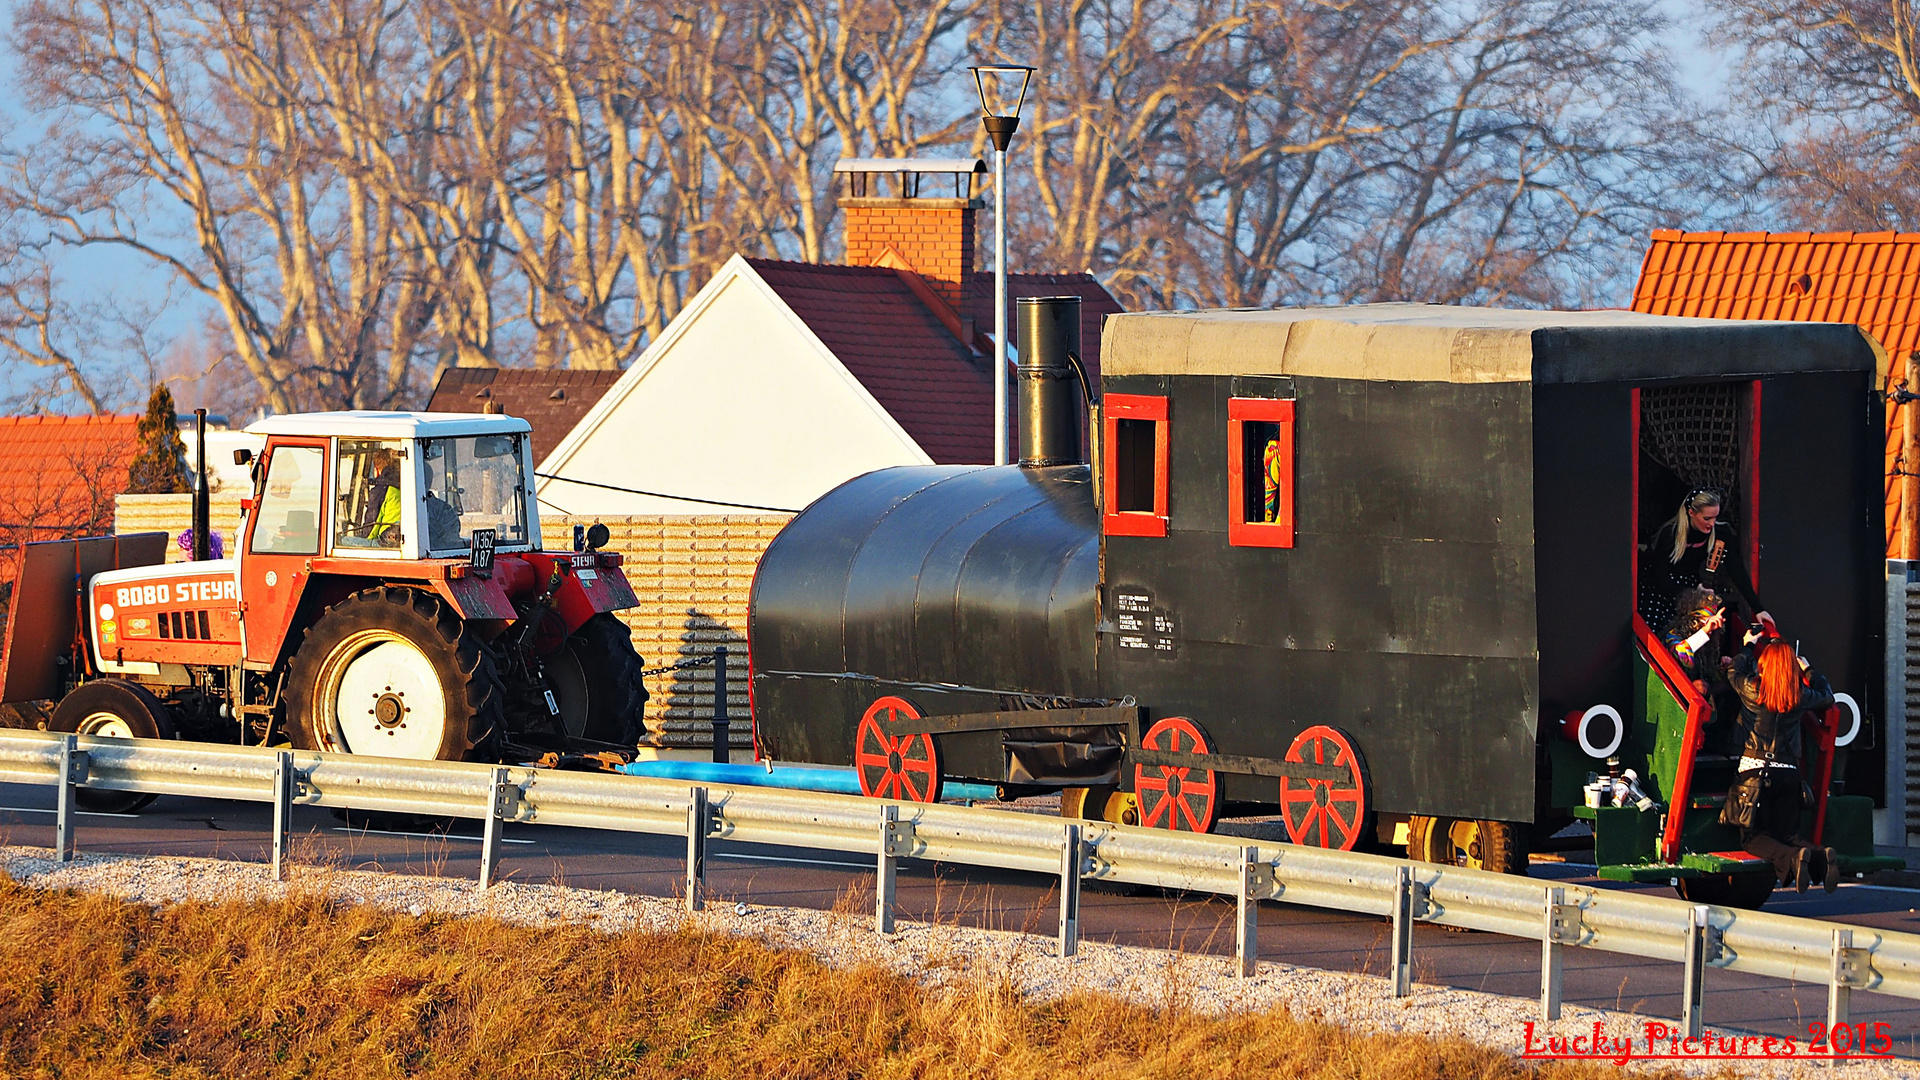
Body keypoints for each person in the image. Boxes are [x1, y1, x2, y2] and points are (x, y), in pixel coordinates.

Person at [1722, 640, 1838, 893]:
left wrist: (1748, 646)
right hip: (1789, 773)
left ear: (1764, 665)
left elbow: (1733, 672)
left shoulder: (1753, 689)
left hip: (1755, 773)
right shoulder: (1798, 694)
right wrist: (1808, 670)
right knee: (1787, 834)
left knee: (1752, 838)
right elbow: (1827, 697)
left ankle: (1794, 859)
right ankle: (1820, 856)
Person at [1639, 489, 1775, 636]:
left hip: (1692, 585)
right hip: (1665, 588)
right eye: (1707, 518)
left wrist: (1758, 608)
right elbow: (1659, 576)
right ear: (1691, 513)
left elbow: (1737, 570)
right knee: (1659, 631)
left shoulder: (1721, 532)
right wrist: (1690, 593)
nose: (1712, 523)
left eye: (1715, 518)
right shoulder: (1671, 534)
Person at [1662, 586, 1731, 699]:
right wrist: (1704, 631)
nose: (1710, 627)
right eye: (1706, 621)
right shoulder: (1673, 635)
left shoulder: (1710, 644)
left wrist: (1722, 670)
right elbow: (1681, 654)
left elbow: (1708, 675)